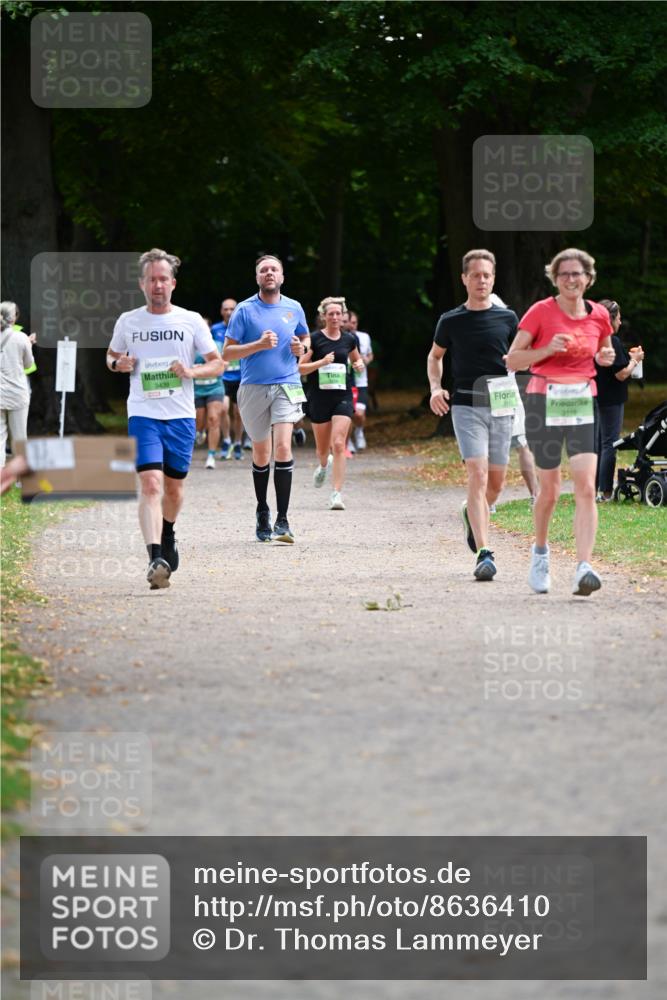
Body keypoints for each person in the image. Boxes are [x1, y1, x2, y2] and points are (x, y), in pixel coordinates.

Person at [107, 248, 222, 589]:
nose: (157, 285)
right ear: (142, 284)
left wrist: (191, 370)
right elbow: (111, 356)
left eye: (163, 279)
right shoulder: (128, 321)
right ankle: (155, 556)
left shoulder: (190, 320)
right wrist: (118, 364)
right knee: (151, 484)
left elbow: (218, 363)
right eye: (151, 279)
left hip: (181, 416)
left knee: (174, 488)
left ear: (173, 283)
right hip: (143, 414)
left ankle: (168, 532)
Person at [506, 247, 615, 596]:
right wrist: (547, 349)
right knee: (550, 490)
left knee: (585, 486)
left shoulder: (599, 315)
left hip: (584, 402)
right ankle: (540, 554)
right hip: (543, 402)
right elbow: (513, 359)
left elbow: (603, 351)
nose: (571, 279)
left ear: (588, 278)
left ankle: (584, 566)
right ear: (555, 278)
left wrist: (605, 356)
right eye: (564, 274)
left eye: (577, 273)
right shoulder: (540, 313)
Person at [427, 249, 518, 581]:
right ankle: (484, 553)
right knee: (477, 477)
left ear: (493, 279)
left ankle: (471, 511)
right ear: (464, 278)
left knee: (496, 484)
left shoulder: (507, 318)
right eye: (476, 274)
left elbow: (522, 356)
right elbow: (435, 357)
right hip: (466, 406)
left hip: (503, 406)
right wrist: (436, 388)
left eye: (487, 275)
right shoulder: (451, 320)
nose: (482, 280)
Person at [222, 254, 310, 543]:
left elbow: (305, 340)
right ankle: (263, 510)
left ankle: (283, 520)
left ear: (282, 276)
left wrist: (301, 348)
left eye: (274, 269)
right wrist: (258, 345)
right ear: (257, 277)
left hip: (286, 384)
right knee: (261, 454)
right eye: (264, 270)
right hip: (252, 388)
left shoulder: (294, 307)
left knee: (283, 447)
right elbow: (227, 353)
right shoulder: (245, 311)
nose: (269, 273)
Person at [301, 297, 365, 510]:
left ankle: (336, 494)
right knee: (322, 449)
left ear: (343, 316)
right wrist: (321, 362)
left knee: (338, 444)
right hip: (319, 398)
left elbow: (357, 360)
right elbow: (300, 368)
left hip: (342, 396)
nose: (335, 317)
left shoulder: (349, 340)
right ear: (324, 316)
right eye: (331, 314)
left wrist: (358, 365)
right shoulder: (314, 339)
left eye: (339, 314)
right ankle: (322, 465)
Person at [595, 299, 644, 501]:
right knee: (609, 444)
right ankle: (605, 492)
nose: (621, 322)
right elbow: (621, 374)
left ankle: (595, 488)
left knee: (599, 444)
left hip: (597, 396)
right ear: (611, 319)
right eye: (619, 318)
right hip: (611, 399)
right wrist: (635, 360)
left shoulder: (595, 339)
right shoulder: (611, 341)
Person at [1, 301, 34, 468]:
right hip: (17, 394)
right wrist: (28, 344)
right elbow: (28, 364)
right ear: (13, 318)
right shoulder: (21, 338)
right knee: (20, 437)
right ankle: (22, 477)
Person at [212, 298, 246, 460]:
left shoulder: (244, 328)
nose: (228, 312)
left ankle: (238, 442)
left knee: (239, 413)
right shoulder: (215, 330)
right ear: (221, 311)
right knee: (223, 409)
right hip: (223, 376)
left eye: (232, 309)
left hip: (241, 376)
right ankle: (226, 440)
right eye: (225, 309)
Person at [194, 349, 226, 469]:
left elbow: (225, 364)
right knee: (199, 420)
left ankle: (211, 456)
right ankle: (200, 431)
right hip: (196, 390)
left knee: (213, 419)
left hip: (215, 388)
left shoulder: (216, 346)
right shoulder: (189, 349)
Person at [346, 310, 373, 451]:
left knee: (359, 414)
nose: (351, 325)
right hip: (345, 381)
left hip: (361, 381)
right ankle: (348, 440)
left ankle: (359, 431)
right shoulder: (341, 338)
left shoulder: (364, 337)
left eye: (354, 322)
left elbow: (370, 354)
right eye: (349, 322)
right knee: (347, 413)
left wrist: (366, 360)